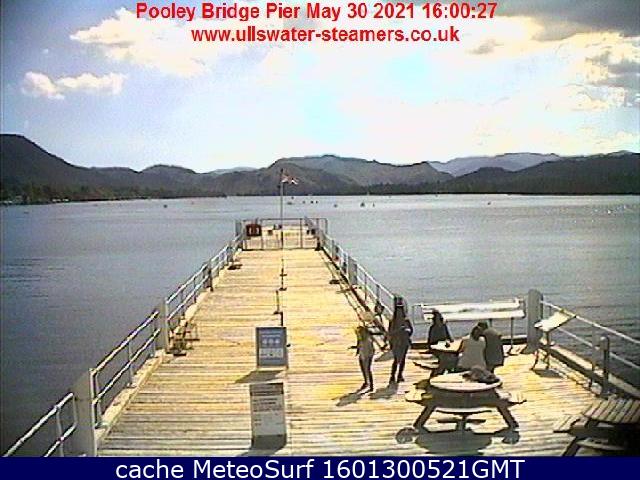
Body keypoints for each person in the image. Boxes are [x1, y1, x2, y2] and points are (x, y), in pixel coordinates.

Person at [389, 302, 413, 383]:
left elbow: (411, 331)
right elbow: (390, 332)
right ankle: (392, 376)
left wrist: (406, 330)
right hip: (396, 342)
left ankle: (400, 375)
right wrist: (398, 330)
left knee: (403, 359)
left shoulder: (406, 321)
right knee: (396, 359)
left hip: (404, 342)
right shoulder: (393, 322)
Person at [355, 326, 375, 392]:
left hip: (367, 357)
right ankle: (366, 382)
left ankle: (371, 385)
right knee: (363, 370)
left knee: (368, 370)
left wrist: (370, 357)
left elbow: (372, 350)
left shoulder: (368, 340)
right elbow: (359, 346)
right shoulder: (361, 339)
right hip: (362, 356)